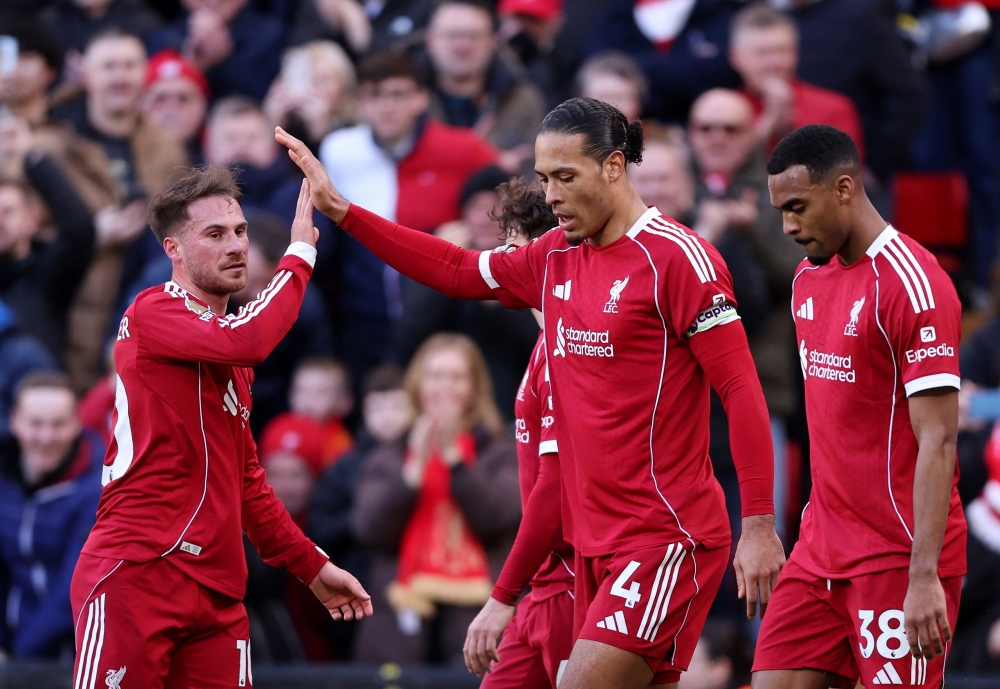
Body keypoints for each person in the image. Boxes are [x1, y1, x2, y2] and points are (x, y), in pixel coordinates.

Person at [278, 95, 783, 688]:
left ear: (614, 167)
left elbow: (742, 389)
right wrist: (342, 211)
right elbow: (458, 270)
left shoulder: (677, 259)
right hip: (589, 551)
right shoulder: (555, 255)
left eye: (565, 177)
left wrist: (758, 523)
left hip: (665, 537)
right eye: (545, 179)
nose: (551, 196)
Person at [69, 166, 372, 688]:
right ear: (174, 249)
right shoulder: (153, 310)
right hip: (137, 572)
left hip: (215, 590)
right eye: (215, 235)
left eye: (240, 232)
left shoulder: (229, 353)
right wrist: (298, 256)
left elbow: (247, 485)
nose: (236, 247)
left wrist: (311, 565)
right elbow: (247, 339)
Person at [753, 124, 966, 689]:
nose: (788, 226)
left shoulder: (914, 284)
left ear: (844, 188)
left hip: (898, 557)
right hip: (819, 550)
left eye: (797, 207)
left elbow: (939, 442)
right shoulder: (805, 281)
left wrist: (925, 576)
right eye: (780, 211)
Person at [317, 52, 496, 387]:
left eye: (397, 94)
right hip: (362, 321)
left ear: (420, 99)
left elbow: (508, 196)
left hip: (441, 324)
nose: (387, 106)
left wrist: (476, 232)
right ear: (360, 103)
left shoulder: (462, 148)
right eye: (375, 95)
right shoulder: (338, 151)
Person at [463, 177, 574, 688]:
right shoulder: (543, 343)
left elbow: (554, 491)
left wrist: (500, 596)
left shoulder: (569, 350)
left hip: (574, 584)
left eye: (511, 247)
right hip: (542, 583)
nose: (500, 262)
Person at [350, 333, 520, 666]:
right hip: (399, 624)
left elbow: (500, 519)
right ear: (416, 385)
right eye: (434, 375)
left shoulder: (501, 451)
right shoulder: (389, 453)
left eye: (456, 377)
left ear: (474, 389)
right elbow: (368, 529)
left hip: (477, 621)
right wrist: (411, 474)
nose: (444, 387)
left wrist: (455, 461)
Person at [393, 166, 540, 419]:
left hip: (514, 410)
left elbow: (539, 342)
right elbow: (405, 340)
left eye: (495, 208)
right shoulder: (443, 260)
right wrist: (443, 270)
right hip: (447, 406)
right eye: (475, 208)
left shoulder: (533, 262)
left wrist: (496, 284)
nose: (483, 219)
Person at [309, 362, 412, 657]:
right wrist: (363, 521)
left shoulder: (428, 460)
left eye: (396, 406)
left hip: (414, 584)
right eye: (377, 408)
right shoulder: (343, 468)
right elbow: (319, 530)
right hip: (356, 586)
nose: (387, 418)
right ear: (363, 412)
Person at [0, 372, 103, 661]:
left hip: (78, 650)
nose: (46, 437)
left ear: (77, 424)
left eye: (58, 424)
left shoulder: (98, 490)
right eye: (36, 424)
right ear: (15, 421)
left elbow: (72, 590)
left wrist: (17, 659)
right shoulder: (4, 481)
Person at [0, 123, 95, 366]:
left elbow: (79, 228)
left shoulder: (48, 275)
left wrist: (31, 156)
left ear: (32, 221)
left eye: (8, 211)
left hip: (40, 395)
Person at [423, 0, 548, 173]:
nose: (463, 46)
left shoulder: (524, 101)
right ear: (430, 40)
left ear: (493, 42)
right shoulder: (403, 99)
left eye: (473, 36)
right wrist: (476, 158)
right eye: (452, 35)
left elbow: (539, 178)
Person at [728, 3, 863, 158]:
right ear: (735, 57)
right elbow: (719, 175)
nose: (774, 63)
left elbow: (838, 174)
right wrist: (768, 124)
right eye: (762, 53)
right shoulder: (717, 114)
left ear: (796, 53)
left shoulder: (834, 109)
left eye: (781, 51)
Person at [583, 0, 741, 123]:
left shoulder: (718, 13)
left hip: (700, 129)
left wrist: (637, 67)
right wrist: (682, 69)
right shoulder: (614, 18)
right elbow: (596, 66)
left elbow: (720, 75)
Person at [147, 0, 285, 102]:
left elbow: (262, 99)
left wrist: (223, 61)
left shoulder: (269, 35)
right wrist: (191, 69)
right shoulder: (164, 39)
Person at [263, 41, 358, 155]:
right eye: (308, 81)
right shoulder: (291, 126)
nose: (314, 90)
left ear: (343, 83)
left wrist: (320, 132)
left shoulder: (356, 129)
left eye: (322, 80)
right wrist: (272, 125)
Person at [264, 357, 355, 468]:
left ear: (344, 402)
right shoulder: (276, 428)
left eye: (320, 393)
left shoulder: (339, 444)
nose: (308, 399)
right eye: (301, 391)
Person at [141, 49, 211, 164]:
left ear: (203, 108)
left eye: (183, 99)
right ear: (141, 105)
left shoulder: (219, 161)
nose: (171, 108)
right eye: (160, 99)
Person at [576, 51, 647, 124]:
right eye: (602, 97)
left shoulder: (656, 134)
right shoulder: (566, 133)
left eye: (619, 98)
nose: (610, 106)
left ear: (638, 104)